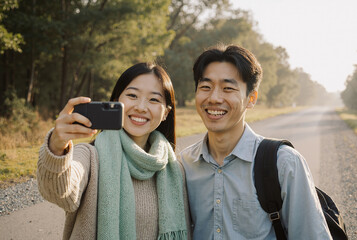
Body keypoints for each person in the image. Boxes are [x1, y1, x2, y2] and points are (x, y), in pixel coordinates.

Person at [179, 44, 332, 239]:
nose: (214, 98)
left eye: (228, 88)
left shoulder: (284, 163)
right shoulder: (184, 164)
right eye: (205, 87)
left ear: (251, 98)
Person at [37, 62, 191, 240]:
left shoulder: (175, 169)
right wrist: (57, 146)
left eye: (154, 99)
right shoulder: (89, 156)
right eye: (132, 95)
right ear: (116, 101)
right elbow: (60, 194)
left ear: (166, 113)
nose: (141, 107)